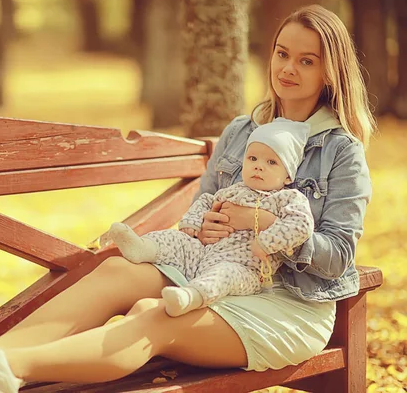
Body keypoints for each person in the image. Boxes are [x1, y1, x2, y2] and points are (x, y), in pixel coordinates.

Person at [0, 4, 376, 393]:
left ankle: (6, 371)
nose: (288, 68)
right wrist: (205, 224)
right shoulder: (241, 131)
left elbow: (339, 257)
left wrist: (258, 224)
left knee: (157, 314)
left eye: (307, 60)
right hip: (210, 270)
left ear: (330, 72)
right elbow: (204, 208)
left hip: (285, 304)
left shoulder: (341, 151)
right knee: (115, 270)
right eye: (281, 53)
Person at [108, 118, 314, 317]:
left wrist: (267, 242)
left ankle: (189, 297)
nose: (259, 166)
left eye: (271, 162)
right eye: (252, 159)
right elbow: (207, 200)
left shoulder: (287, 198)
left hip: (246, 269)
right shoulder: (235, 190)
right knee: (177, 240)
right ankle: (143, 248)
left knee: (223, 276)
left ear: (288, 176)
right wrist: (193, 223)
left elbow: (301, 224)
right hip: (205, 252)